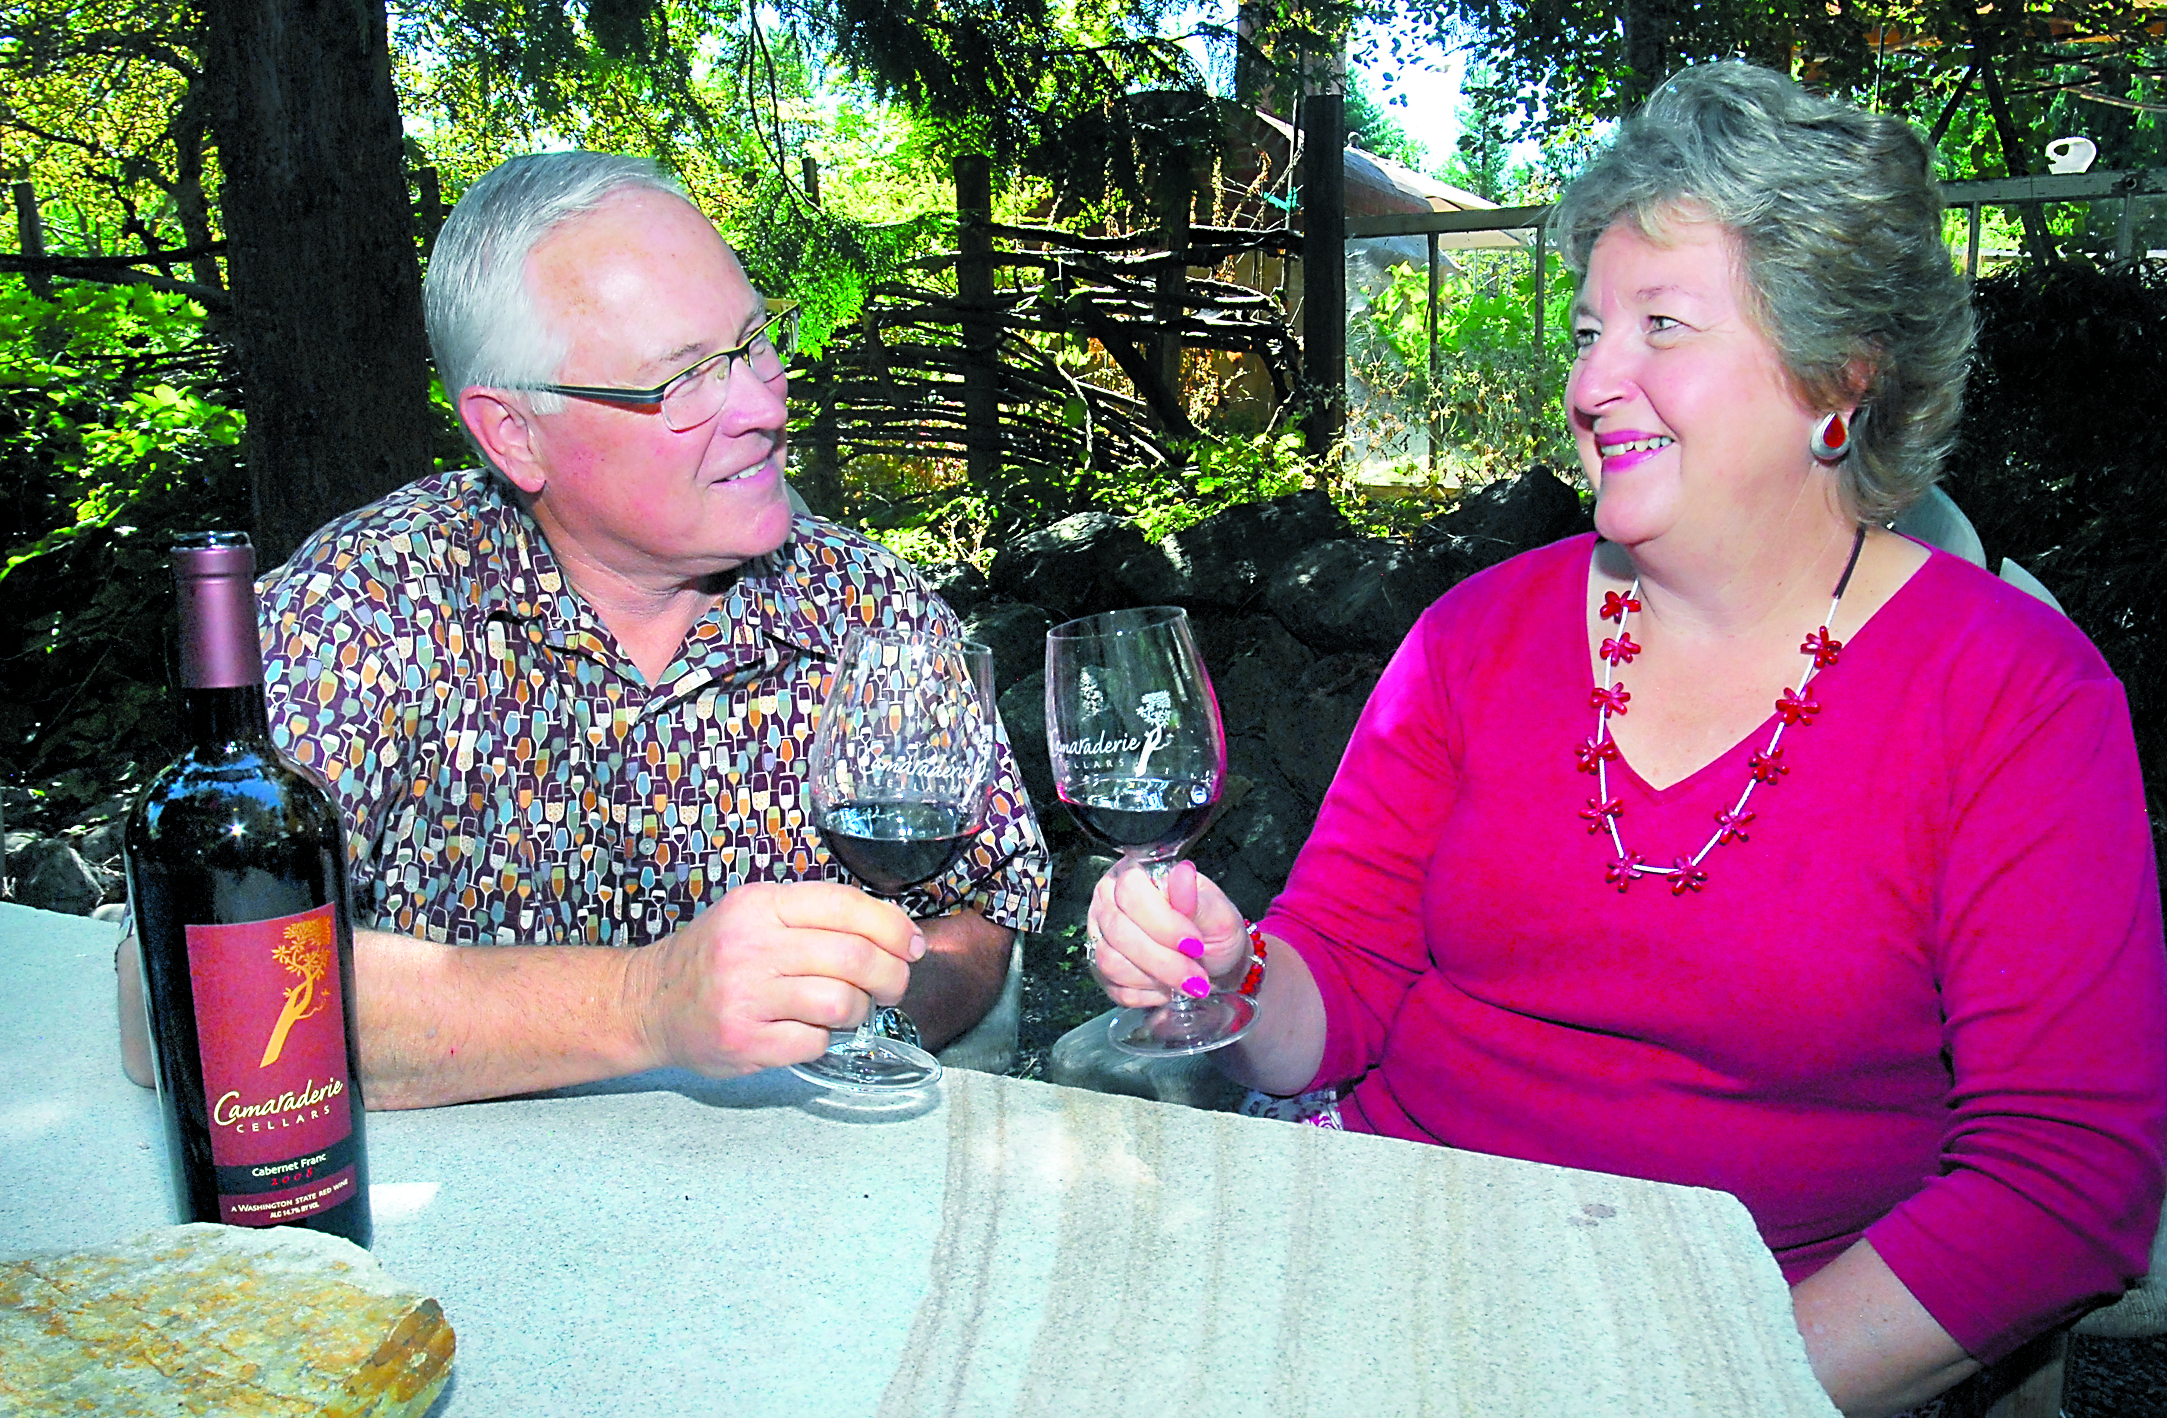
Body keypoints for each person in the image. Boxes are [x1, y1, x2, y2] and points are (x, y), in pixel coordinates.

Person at [1084, 64, 2165, 1418]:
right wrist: (1230, 974)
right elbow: (1337, 985)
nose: (1592, 381)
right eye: (1590, 327)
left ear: (1837, 373)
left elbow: (2063, 1181)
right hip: (1385, 1255)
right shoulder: (1472, 638)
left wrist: (1701, 1380)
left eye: (1661, 325)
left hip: (1754, 1348)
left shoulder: (2013, 695)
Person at [120, 153, 1048, 1107]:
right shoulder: (368, 608)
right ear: (514, 434)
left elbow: (980, 905)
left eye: (753, 341)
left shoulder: (873, 607)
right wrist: (647, 1005)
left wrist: (859, 1023)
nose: (764, 405)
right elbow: (180, 997)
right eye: (682, 379)